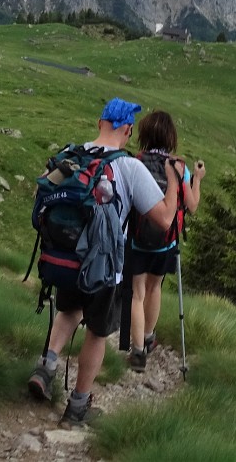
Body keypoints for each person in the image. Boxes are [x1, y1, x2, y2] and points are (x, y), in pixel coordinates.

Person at [27, 97, 180, 427]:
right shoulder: (128, 166)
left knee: (69, 312)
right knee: (97, 332)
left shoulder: (69, 156)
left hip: (66, 259)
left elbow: (40, 195)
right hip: (105, 268)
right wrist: (175, 181)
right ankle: (76, 408)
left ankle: (47, 367)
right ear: (126, 130)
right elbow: (165, 219)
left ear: (100, 123)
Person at [125, 110, 204, 371]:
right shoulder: (179, 167)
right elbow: (191, 206)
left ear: (145, 134)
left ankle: (137, 352)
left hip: (136, 239)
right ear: (171, 137)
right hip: (166, 241)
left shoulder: (136, 161)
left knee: (137, 293)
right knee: (154, 287)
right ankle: (148, 337)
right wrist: (198, 180)